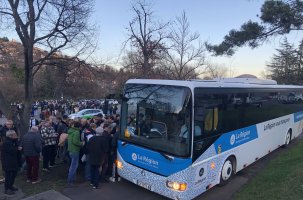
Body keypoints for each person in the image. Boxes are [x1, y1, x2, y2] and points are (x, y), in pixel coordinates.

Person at [1, 130, 21, 195]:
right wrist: (17, 148)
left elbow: (15, 146)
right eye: (15, 134)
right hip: (8, 162)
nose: (16, 135)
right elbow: (12, 151)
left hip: (12, 161)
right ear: (10, 135)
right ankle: (7, 189)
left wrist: (16, 140)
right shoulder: (7, 142)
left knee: (14, 173)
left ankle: (11, 186)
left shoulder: (12, 141)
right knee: (8, 176)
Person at [67, 121, 83, 186]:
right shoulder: (77, 132)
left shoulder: (70, 131)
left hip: (70, 150)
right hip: (75, 150)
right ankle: (70, 181)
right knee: (73, 166)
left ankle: (73, 179)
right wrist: (82, 143)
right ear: (79, 127)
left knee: (72, 165)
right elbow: (75, 141)